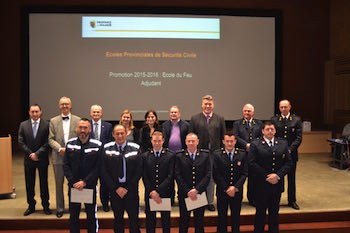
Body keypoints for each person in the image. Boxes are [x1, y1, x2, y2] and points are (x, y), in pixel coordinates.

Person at [248, 121, 292, 233]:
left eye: (272, 129)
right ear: (262, 131)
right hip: (261, 184)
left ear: (275, 131)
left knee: (274, 214)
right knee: (260, 213)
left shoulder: (282, 143)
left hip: (276, 184)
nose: (270, 131)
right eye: (267, 129)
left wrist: (277, 175)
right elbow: (251, 163)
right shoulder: (255, 144)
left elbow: (288, 163)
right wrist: (267, 176)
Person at [101, 124, 143, 233]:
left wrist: (127, 187)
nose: (120, 136)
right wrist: (116, 188)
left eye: (122, 133)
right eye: (117, 134)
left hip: (131, 191)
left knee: (134, 220)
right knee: (118, 220)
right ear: (113, 135)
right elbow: (104, 171)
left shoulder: (136, 148)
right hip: (115, 191)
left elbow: (139, 170)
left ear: (126, 134)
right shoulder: (106, 149)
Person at [63, 118, 102, 233]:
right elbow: (66, 165)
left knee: (91, 215)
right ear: (77, 129)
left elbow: (98, 167)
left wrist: (85, 182)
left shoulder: (97, 145)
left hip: (89, 187)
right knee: (74, 216)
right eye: (80, 127)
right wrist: (73, 182)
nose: (82, 130)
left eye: (85, 128)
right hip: (74, 187)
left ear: (89, 129)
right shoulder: (70, 144)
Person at [189, 95, 225, 211]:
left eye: (210, 104)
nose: (207, 106)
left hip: (214, 154)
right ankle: (199, 202)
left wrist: (222, 153)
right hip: (199, 154)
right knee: (198, 177)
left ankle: (209, 202)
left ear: (213, 105)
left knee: (211, 179)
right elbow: (190, 137)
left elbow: (223, 138)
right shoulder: (194, 118)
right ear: (202, 105)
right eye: (205, 104)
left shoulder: (220, 118)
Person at [49, 96, 80, 218]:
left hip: (74, 158)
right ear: (59, 106)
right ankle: (60, 208)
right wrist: (60, 148)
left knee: (73, 183)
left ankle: (74, 208)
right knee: (58, 184)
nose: (64, 106)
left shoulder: (78, 120)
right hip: (58, 157)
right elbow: (50, 139)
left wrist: (71, 149)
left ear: (71, 106)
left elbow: (80, 137)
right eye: (62, 104)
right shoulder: (53, 121)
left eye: (66, 104)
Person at [18, 104, 51, 216]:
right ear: (29, 112)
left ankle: (46, 206)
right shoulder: (23, 125)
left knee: (44, 184)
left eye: (37, 111)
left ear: (41, 112)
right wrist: (30, 154)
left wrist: (37, 153)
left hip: (42, 159)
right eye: (33, 111)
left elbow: (48, 142)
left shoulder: (47, 125)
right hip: (29, 160)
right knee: (29, 184)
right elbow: (21, 142)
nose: (35, 113)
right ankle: (31, 206)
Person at [175, 133, 211, 233]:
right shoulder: (179, 156)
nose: (191, 143)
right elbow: (177, 175)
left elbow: (208, 175)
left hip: (199, 194)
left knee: (199, 222)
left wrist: (197, 190)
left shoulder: (205, 155)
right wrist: (188, 191)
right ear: (185, 142)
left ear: (197, 142)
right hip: (185, 194)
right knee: (183, 222)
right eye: (189, 141)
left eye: (193, 141)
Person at [213, 131, 248, 233]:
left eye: (231, 141)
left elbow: (244, 173)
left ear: (235, 141)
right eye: (227, 141)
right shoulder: (217, 154)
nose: (229, 143)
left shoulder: (241, 154)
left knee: (236, 217)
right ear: (223, 141)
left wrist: (235, 187)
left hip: (237, 192)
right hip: (222, 192)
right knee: (222, 218)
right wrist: (227, 188)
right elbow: (216, 174)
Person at [271, 99, 302, 210]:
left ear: (290, 107)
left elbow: (298, 138)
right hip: (278, 155)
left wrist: (289, 150)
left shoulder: (296, 120)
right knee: (278, 178)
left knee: (291, 178)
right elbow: (272, 136)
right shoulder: (274, 120)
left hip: (291, 155)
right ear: (279, 108)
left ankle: (292, 200)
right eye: (281, 107)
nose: (283, 109)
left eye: (285, 107)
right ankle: (275, 200)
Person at [142, 131, 175, 233]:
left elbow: (170, 176)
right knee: (150, 221)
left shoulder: (170, 155)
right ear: (151, 141)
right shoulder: (145, 156)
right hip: (150, 193)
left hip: (165, 193)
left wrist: (158, 191)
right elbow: (144, 176)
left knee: (166, 221)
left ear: (163, 141)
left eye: (159, 141)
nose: (157, 143)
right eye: (155, 141)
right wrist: (152, 191)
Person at [232, 103, 263, 206]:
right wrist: (246, 145)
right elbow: (235, 136)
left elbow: (261, 137)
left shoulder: (258, 123)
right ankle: (237, 198)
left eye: (249, 111)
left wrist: (253, 146)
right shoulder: (237, 123)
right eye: (245, 111)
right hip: (241, 154)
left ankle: (252, 198)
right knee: (239, 176)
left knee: (253, 177)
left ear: (253, 112)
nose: (246, 113)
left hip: (254, 155)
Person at [162, 105, 189, 204]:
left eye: (175, 112)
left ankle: (181, 197)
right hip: (169, 155)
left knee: (181, 176)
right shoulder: (165, 125)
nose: (173, 114)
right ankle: (171, 198)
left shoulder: (186, 125)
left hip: (181, 155)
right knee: (169, 177)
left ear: (179, 113)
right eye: (172, 112)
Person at [90, 104, 113, 212]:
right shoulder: (86, 125)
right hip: (90, 160)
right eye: (94, 112)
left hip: (104, 160)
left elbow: (109, 143)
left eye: (97, 112)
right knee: (90, 183)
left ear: (101, 113)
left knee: (104, 183)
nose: (95, 114)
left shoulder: (108, 126)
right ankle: (90, 204)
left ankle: (105, 204)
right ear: (91, 113)